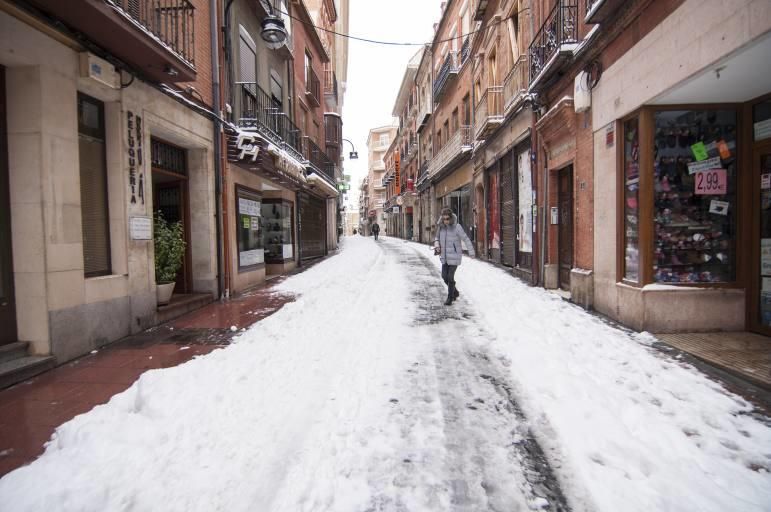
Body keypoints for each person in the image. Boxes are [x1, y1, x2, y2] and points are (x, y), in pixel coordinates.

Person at [434, 207, 475, 306]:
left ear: (451, 218)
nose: (446, 221)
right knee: (444, 277)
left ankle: (450, 297)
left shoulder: (457, 227)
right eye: (444, 219)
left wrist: (471, 252)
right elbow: (437, 238)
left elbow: (466, 239)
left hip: (455, 256)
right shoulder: (441, 227)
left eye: (447, 219)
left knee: (450, 277)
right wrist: (437, 246)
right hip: (444, 257)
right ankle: (455, 292)